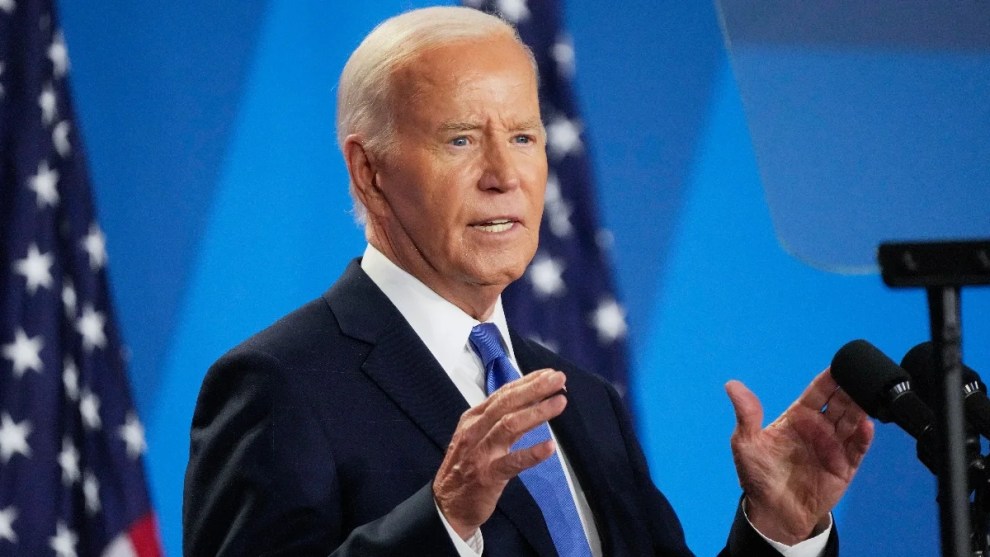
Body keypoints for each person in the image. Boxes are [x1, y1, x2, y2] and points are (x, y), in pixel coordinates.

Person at [182, 6, 874, 556]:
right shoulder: (280, 383)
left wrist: (780, 533)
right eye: (459, 139)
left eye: (522, 136)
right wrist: (445, 519)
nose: (503, 175)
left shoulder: (584, 399)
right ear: (369, 170)